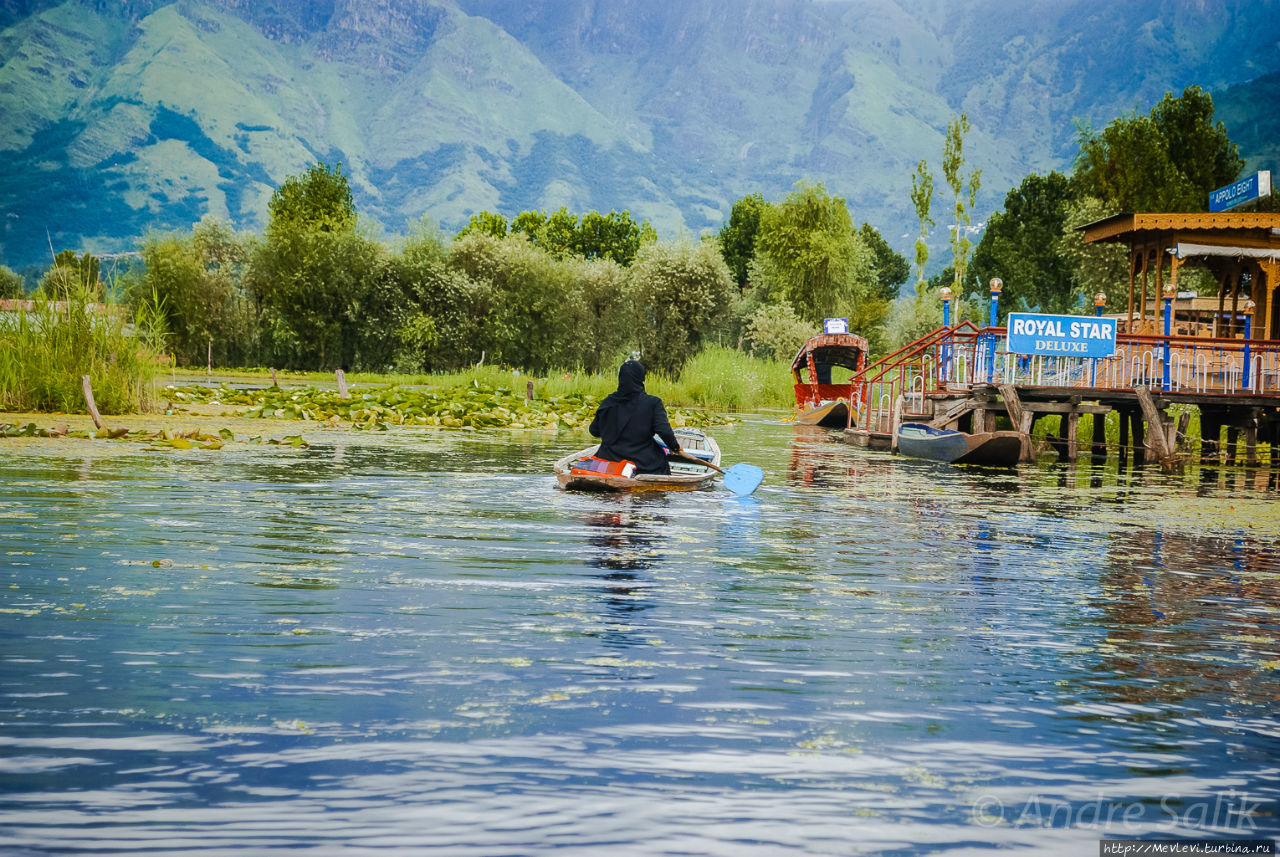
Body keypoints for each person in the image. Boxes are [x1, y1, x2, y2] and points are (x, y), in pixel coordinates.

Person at [589, 359, 682, 475]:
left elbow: (594, 431)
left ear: (620, 379)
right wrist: (675, 447)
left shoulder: (608, 402)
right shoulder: (653, 403)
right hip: (643, 465)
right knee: (661, 461)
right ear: (641, 380)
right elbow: (664, 431)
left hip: (609, 463)